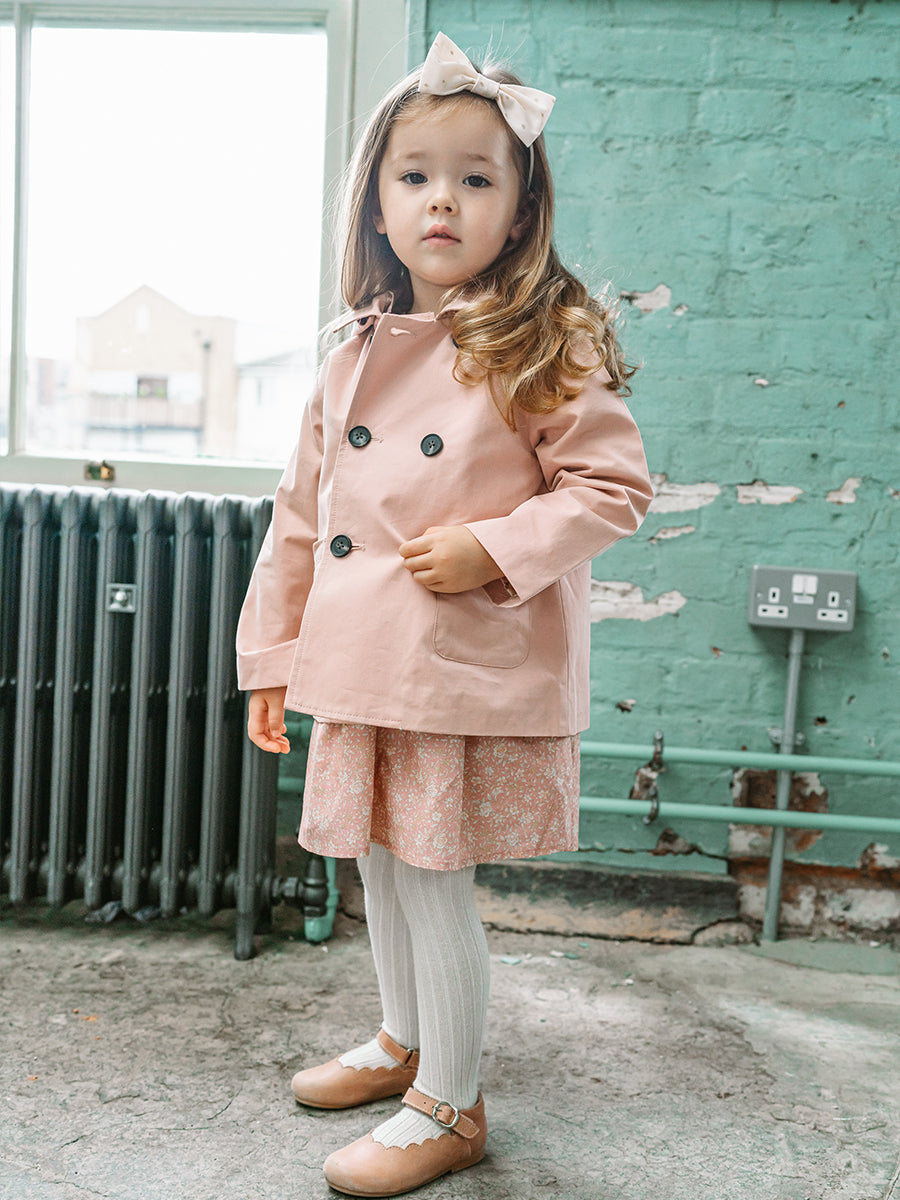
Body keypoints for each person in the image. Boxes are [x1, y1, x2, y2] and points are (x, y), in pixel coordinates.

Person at [236, 31, 653, 1198]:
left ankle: (452, 1103)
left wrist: (492, 548)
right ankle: (404, 1038)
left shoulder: (544, 340)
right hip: (360, 658)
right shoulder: (351, 356)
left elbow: (612, 488)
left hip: (454, 660)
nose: (442, 200)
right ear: (376, 204)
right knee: (379, 859)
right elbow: (298, 519)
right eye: (415, 175)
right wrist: (271, 657)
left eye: (477, 178)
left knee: (429, 875)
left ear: (519, 213)